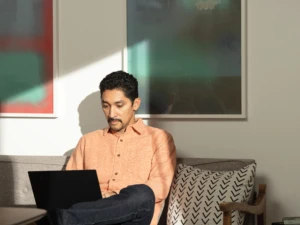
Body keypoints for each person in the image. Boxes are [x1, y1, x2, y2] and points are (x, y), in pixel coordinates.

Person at [50, 70, 177, 225]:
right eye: (105, 106)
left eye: (119, 105)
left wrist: (114, 196)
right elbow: (71, 189)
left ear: (135, 104)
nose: (111, 113)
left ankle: (57, 220)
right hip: (92, 221)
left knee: (143, 194)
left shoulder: (160, 139)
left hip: (132, 220)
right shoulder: (87, 141)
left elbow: (160, 186)